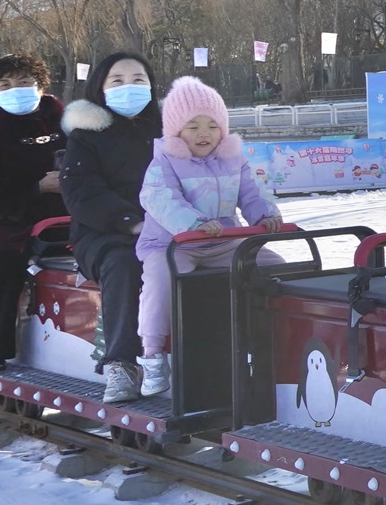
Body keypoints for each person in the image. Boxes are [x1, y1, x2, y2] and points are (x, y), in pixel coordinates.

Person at [135, 77, 284, 395]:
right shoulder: (164, 162)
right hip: (172, 245)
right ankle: (153, 355)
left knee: (275, 266)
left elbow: (252, 191)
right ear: (176, 130)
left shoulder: (234, 159)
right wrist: (195, 224)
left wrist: (266, 215)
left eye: (212, 126)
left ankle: (270, 335)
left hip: (223, 242)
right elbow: (161, 199)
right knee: (161, 282)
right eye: (193, 126)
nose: (204, 134)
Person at [60, 52, 163, 402]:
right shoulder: (87, 135)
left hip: (171, 227)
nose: (129, 87)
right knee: (125, 264)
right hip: (105, 234)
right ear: (100, 88)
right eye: (117, 81)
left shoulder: (170, 128)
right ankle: (122, 362)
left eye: (138, 80)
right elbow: (81, 191)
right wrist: (129, 222)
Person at [0, 54, 65, 373]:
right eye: (6, 84)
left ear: (40, 86)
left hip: (66, 212)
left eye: (24, 82)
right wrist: (35, 188)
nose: (16, 90)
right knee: (3, 258)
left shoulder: (68, 123)